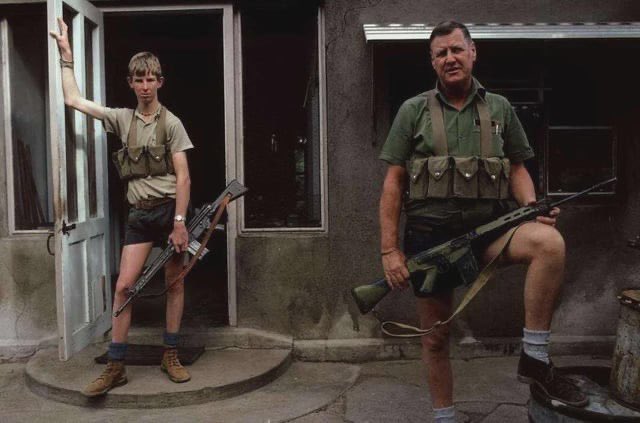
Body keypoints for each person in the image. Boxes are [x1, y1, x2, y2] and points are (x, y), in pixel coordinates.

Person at [378, 21, 588, 422]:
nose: (450, 59)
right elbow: (393, 185)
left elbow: (517, 169)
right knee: (436, 340)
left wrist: (532, 206)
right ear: (433, 62)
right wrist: (391, 250)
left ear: (473, 53)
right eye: (441, 53)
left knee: (549, 242)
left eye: (457, 49)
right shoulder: (413, 110)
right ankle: (445, 417)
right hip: (432, 242)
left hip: (488, 233)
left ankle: (535, 356)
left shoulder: (500, 109)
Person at [50, 18, 194, 396]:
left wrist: (180, 223)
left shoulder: (173, 123)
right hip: (140, 216)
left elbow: (183, 178)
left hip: (169, 212)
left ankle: (170, 354)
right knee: (124, 287)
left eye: (151, 79)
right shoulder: (121, 118)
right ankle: (116, 365)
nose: (145, 86)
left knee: (174, 284)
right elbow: (73, 100)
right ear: (130, 83)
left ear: (160, 81)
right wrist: (67, 59)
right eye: (138, 79)